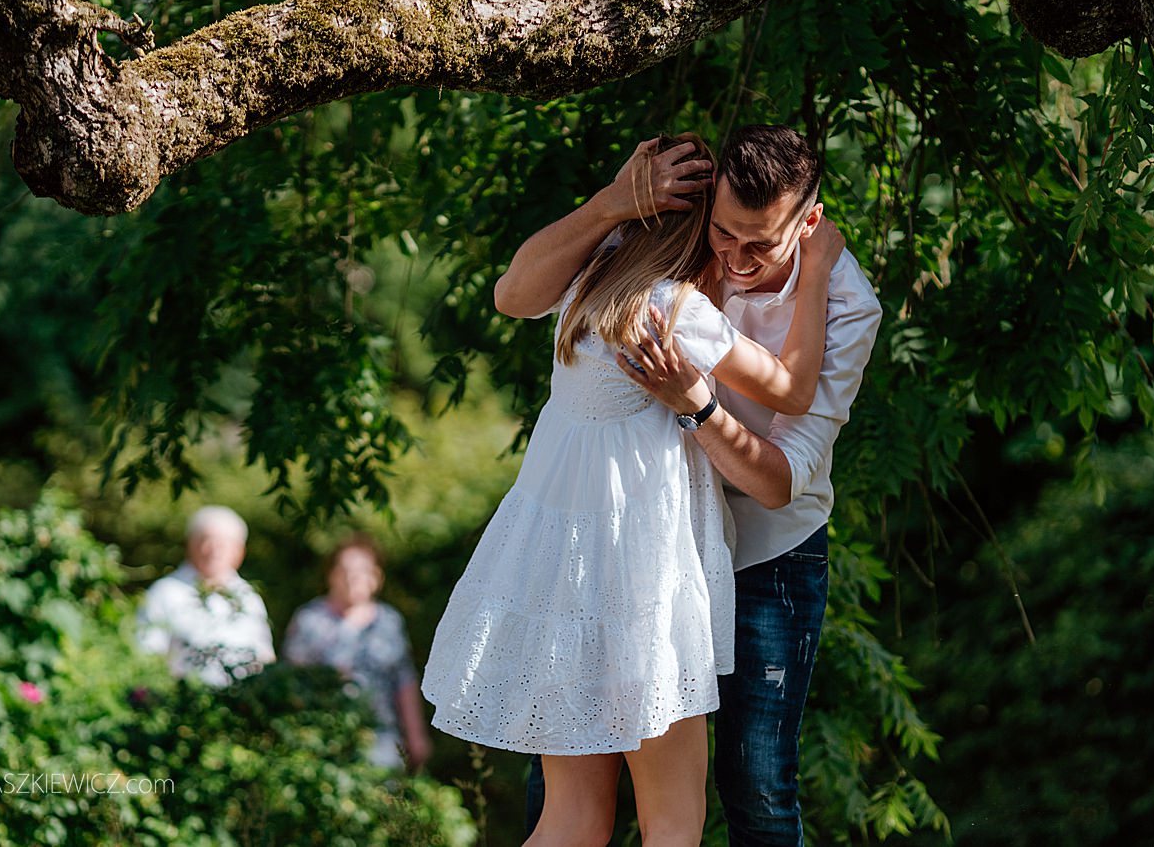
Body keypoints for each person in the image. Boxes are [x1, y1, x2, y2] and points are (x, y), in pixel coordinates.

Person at [421, 133, 842, 847]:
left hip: (562, 583)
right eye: (722, 236)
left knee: (573, 820)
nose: (734, 258)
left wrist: (615, 203)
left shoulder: (587, 288)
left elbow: (518, 291)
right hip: (645, 592)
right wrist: (821, 268)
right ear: (697, 232)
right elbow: (796, 387)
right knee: (675, 824)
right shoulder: (680, 313)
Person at [283, 534, 433, 771]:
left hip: (382, 739)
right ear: (330, 575)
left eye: (363, 571)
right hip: (322, 740)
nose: (353, 578)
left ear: (377, 577)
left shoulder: (390, 621)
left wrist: (416, 735)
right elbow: (291, 682)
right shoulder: (309, 620)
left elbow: (403, 681)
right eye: (345, 570)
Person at [135, 505, 276, 687]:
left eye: (224, 543)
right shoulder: (165, 593)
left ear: (240, 551)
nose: (215, 550)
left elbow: (265, 656)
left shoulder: (249, 597)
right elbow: (147, 655)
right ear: (190, 544)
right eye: (207, 540)